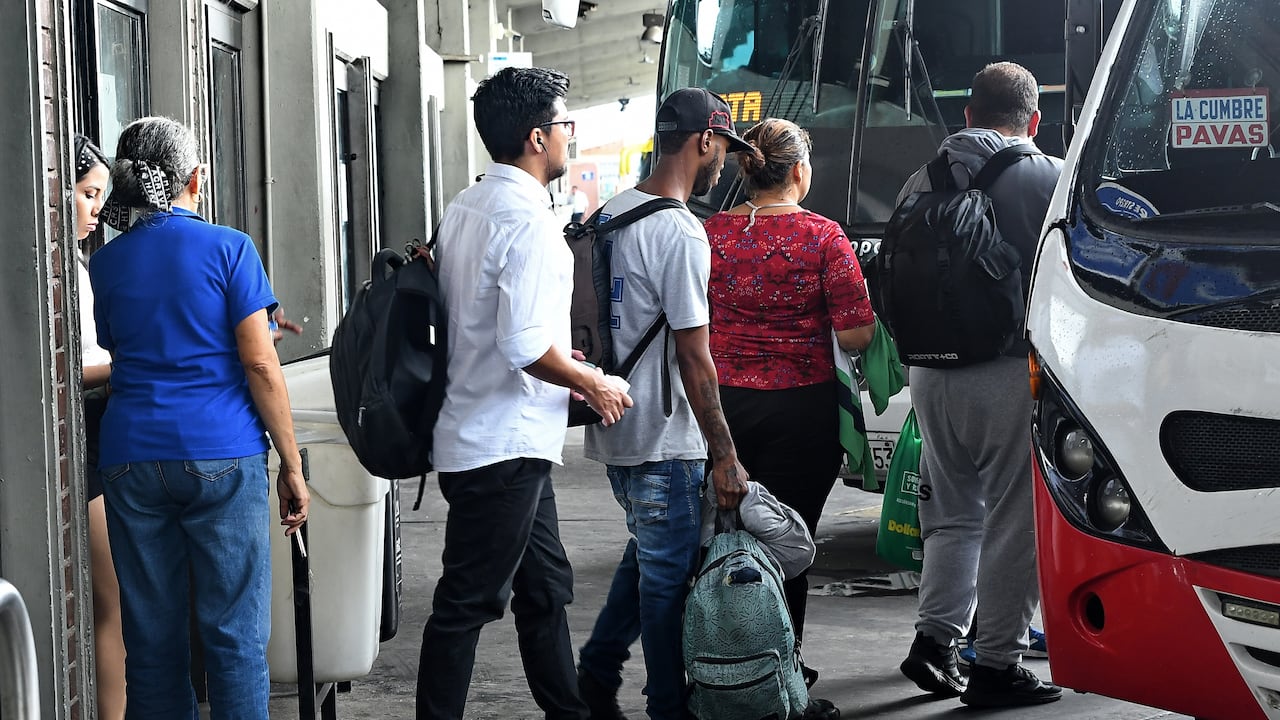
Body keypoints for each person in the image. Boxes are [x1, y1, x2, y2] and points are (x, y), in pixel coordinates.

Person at [415, 66, 632, 720]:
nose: (570, 135)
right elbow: (524, 345)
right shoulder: (529, 224)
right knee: (466, 605)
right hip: (499, 445)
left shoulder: (468, 205)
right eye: (566, 124)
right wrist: (593, 382)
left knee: (546, 591)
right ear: (538, 137)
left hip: (498, 439)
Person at [89, 116, 309, 719]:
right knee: (233, 639)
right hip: (222, 454)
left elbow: (123, 347)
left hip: (131, 458)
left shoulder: (105, 264)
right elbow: (260, 366)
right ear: (194, 177)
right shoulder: (230, 248)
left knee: (153, 644)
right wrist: (291, 463)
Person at [576, 87, 751, 720]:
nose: (723, 162)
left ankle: (596, 672)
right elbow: (695, 358)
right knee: (666, 582)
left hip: (615, 425)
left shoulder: (612, 212)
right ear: (706, 139)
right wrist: (725, 455)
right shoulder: (680, 232)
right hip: (662, 433)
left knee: (650, 554)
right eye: (723, 147)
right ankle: (667, 707)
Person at [894, 62, 1064, 707]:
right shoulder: (1046, 176)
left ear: (966, 115)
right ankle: (996, 664)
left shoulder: (923, 177)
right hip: (1004, 374)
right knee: (1013, 523)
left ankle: (935, 642)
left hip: (930, 374)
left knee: (952, 517)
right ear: (1034, 119)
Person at [703, 117, 875, 706]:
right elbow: (854, 335)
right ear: (799, 171)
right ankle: (782, 678)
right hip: (802, 412)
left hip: (721, 410)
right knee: (787, 544)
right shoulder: (824, 237)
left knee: (717, 539)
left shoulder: (711, 235)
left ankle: (716, 666)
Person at [73, 134, 126, 720]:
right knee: (111, 608)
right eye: (88, 194)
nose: (95, 211)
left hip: (92, 441)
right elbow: (68, 366)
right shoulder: (66, 269)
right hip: (84, 448)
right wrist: (136, 358)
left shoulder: (83, 266)